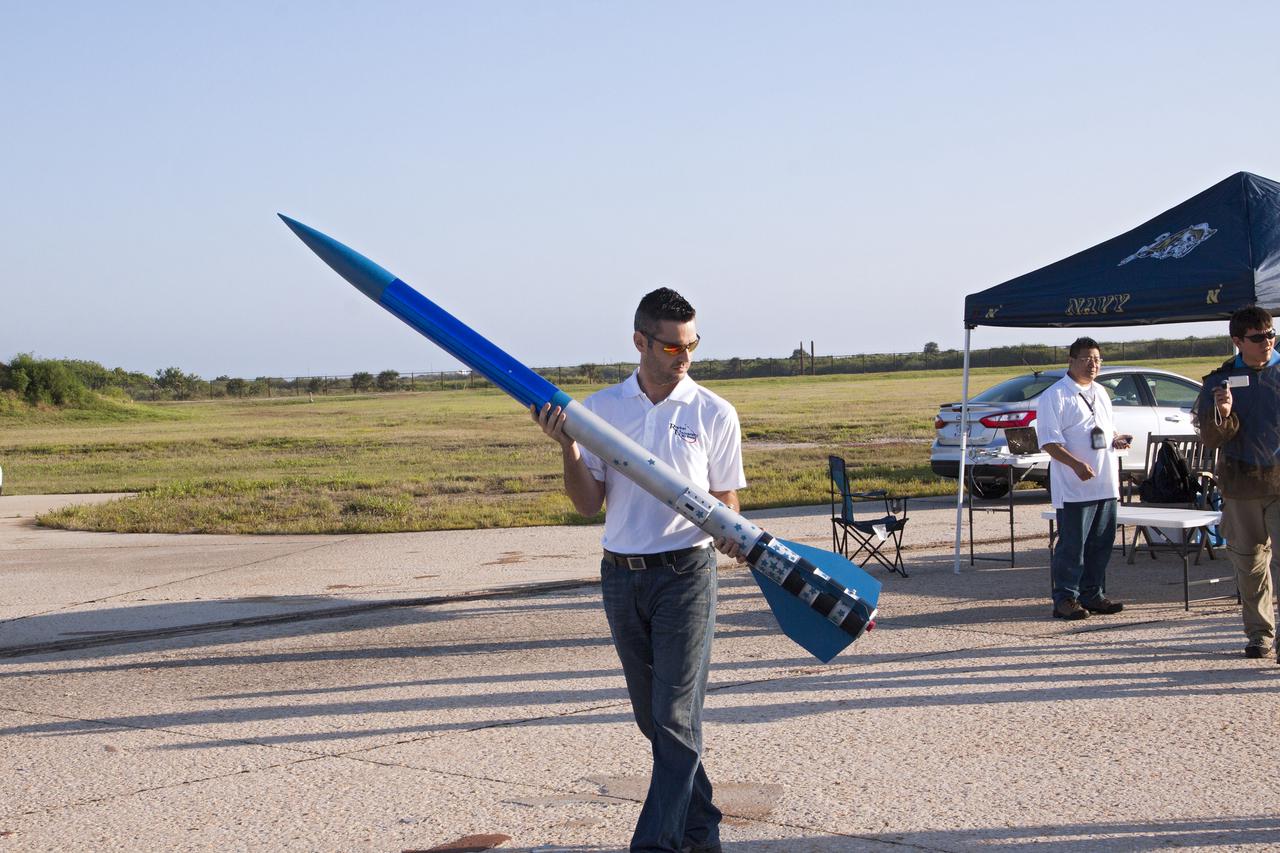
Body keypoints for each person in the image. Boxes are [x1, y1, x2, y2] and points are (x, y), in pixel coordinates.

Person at [531, 287, 745, 853]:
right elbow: (586, 505)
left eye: (692, 345)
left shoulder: (714, 412)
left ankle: (655, 844)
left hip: (687, 577)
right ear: (640, 341)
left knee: (675, 717)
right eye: (674, 347)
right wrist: (569, 450)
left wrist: (731, 532)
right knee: (656, 721)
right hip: (621, 577)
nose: (685, 357)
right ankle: (702, 831)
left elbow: (728, 502)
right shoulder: (599, 411)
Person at [1195, 305, 1280, 660]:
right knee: (1249, 563)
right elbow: (1214, 438)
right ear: (1237, 341)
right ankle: (1260, 633)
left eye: (1271, 334)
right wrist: (1222, 414)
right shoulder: (1219, 382)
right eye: (1258, 338)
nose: (1267, 342)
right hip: (1241, 486)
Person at [1036, 337, 1130, 620]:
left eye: (1098, 360)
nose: (1094, 365)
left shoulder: (1101, 391)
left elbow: (1105, 429)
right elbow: (1049, 442)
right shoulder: (1056, 395)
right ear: (1072, 360)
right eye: (1087, 359)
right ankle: (1065, 598)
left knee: (1101, 543)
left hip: (1105, 481)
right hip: (1075, 486)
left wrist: (1116, 440)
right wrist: (1075, 464)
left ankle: (1093, 594)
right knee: (1072, 545)